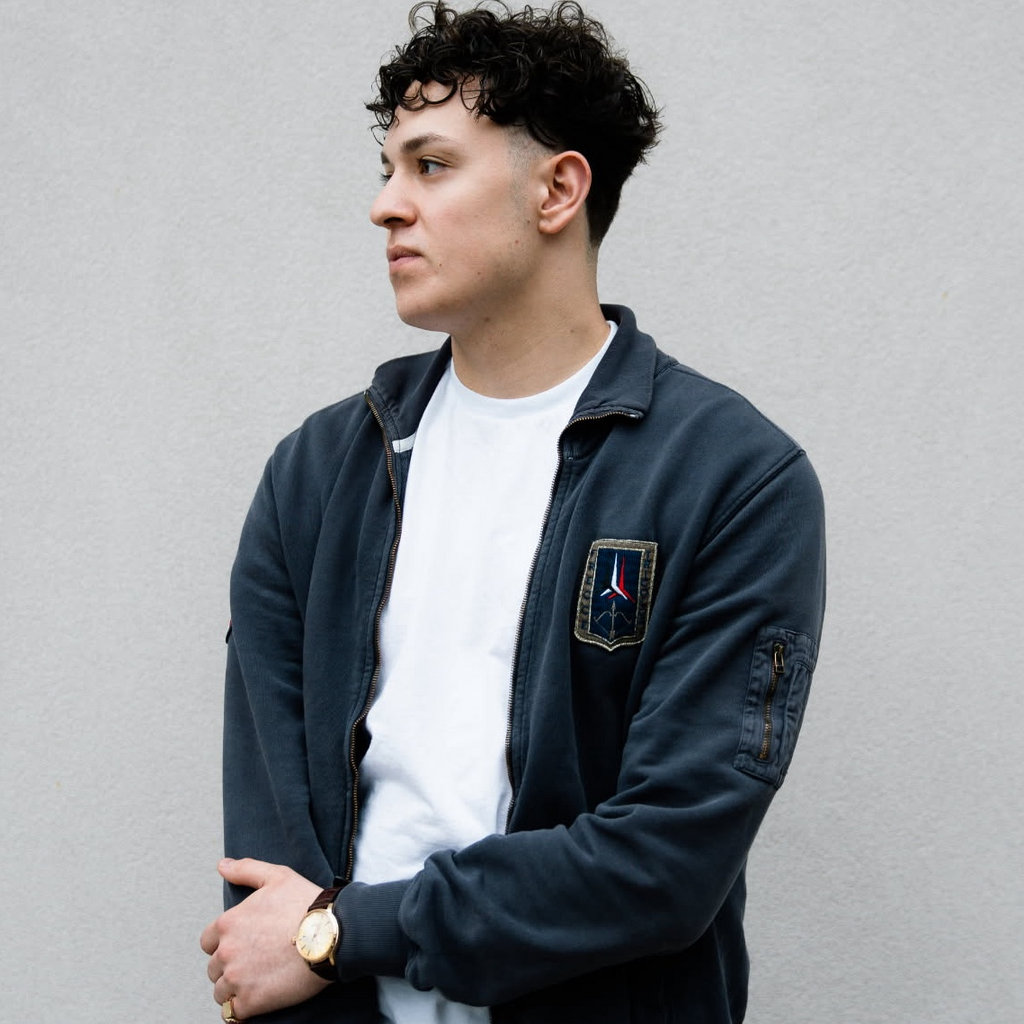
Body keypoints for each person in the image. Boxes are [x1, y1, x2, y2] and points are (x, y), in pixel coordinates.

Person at [200, 2, 827, 1022]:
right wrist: (311, 942)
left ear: (557, 189)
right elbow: (269, 847)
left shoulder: (731, 479)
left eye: (431, 166)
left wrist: (346, 932)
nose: (385, 207)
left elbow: (665, 862)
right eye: (388, 170)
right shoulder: (316, 475)